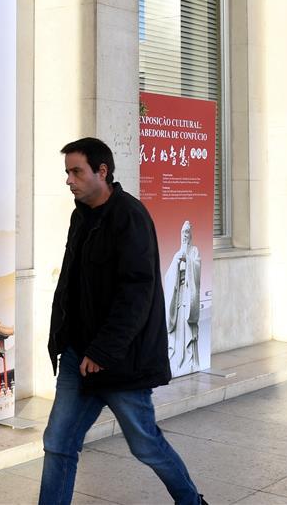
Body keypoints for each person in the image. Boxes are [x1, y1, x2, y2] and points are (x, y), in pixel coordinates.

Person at [40, 137, 206, 505]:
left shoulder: (130, 217)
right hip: (77, 356)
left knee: (145, 444)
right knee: (58, 443)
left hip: (119, 362)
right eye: (67, 172)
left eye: (77, 171)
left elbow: (137, 293)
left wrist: (102, 350)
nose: (69, 180)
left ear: (103, 171)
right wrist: (64, 341)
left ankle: (191, 501)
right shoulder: (80, 215)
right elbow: (71, 283)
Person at [164, 221, 201, 376]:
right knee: (178, 331)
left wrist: (188, 261)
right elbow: (168, 277)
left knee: (188, 330)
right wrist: (176, 262)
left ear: (190, 235)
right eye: (183, 233)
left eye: (187, 232)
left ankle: (190, 360)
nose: (185, 235)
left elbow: (197, 268)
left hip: (188, 296)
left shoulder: (194, 251)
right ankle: (177, 362)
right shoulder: (177, 253)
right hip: (178, 297)